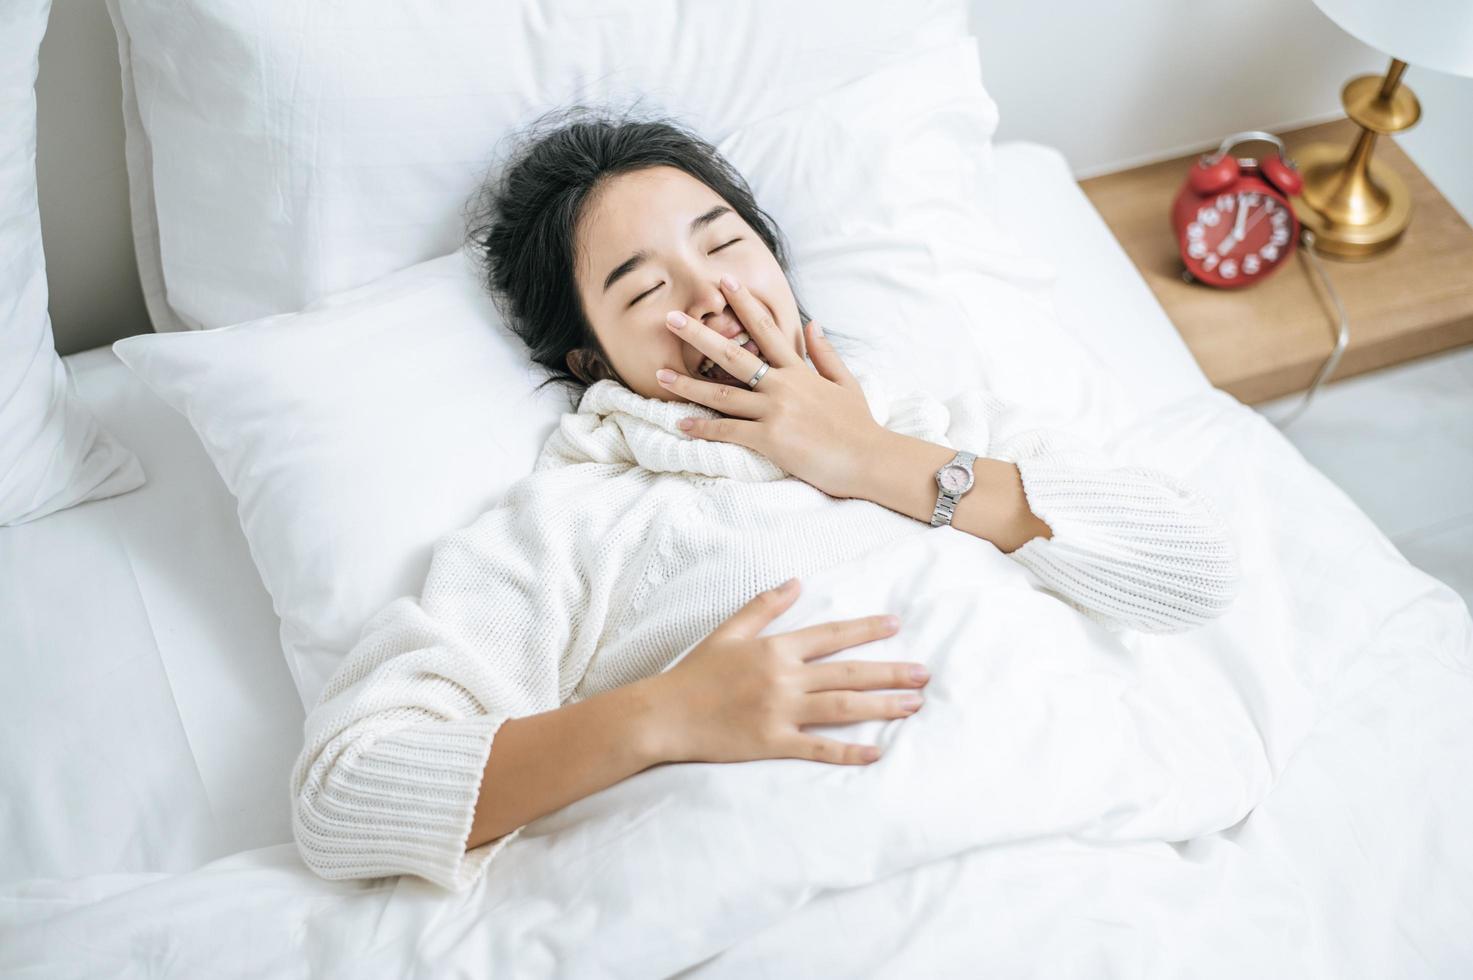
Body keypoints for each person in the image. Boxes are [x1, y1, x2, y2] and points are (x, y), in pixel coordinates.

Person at [290, 108, 1241, 892]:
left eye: (726, 246)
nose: (709, 294)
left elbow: (1190, 574)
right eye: (646, 289)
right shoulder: (571, 521)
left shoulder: (938, 421)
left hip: (1074, 851)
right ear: (593, 361)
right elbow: (341, 798)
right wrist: (662, 715)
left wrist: (874, 458)